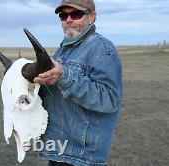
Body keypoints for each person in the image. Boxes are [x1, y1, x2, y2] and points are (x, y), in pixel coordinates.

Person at [34, 0, 123, 166]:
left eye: (75, 14)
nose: (68, 19)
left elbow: (110, 99)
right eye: (63, 15)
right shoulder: (62, 50)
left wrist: (64, 77)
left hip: (82, 157)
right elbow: (55, 94)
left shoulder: (102, 49)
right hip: (58, 149)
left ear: (91, 17)